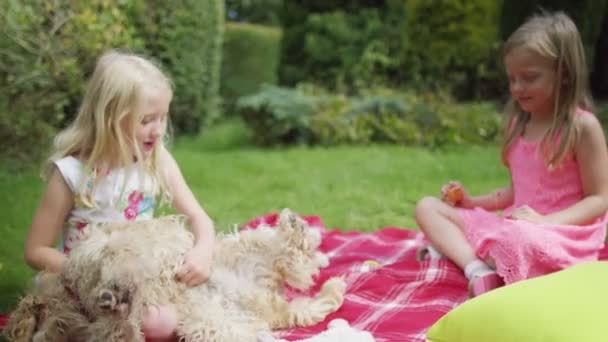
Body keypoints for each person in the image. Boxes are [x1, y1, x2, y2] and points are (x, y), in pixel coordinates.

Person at [23, 50, 216, 341]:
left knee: (202, 306)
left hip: (141, 279)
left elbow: (198, 217)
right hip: (83, 284)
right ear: (109, 118)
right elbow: (36, 250)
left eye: (163, 118)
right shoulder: (73, 173)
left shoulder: (157, 161)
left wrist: (203, 250)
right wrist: (91, 274)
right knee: (158, 324)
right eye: (147, 120)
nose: (159, 130)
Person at [414, 11, 608, 298]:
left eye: (529, 78)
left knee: (515, 238)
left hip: (559, 235)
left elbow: (600, 198)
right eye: (512, 79)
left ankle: (466, 252)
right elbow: (516, 192)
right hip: (514, 226)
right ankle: (477, 269)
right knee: (427, 206)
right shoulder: (519, 126)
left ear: (564, 74)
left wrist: (546, 222)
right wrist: (469, 201)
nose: (517, 88)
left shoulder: (581, 127)